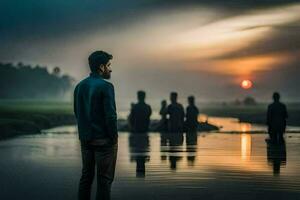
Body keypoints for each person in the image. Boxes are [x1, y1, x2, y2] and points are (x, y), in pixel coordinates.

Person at [74, 50, 118, 200]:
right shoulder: (107, 87)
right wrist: (114, 137)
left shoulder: (79, 86)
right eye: (108, 65)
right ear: (101, 67)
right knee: (104, 180)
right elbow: (111, 116)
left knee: (86, 177)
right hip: (104, 141)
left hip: (85, 140)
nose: (110, 69)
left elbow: (78, 114)